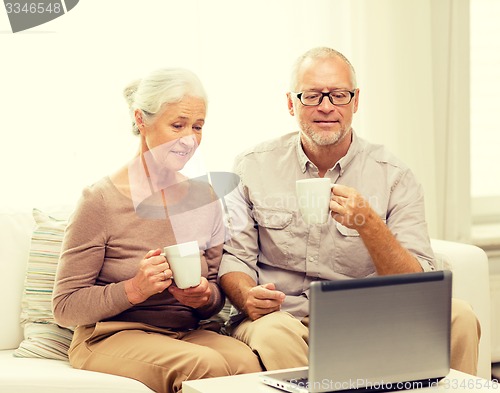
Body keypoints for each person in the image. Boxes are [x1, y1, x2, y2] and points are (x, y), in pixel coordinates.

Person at [218, 47, 481, 375]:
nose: (326, 107)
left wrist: (370, 225)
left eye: (338, 95)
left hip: (364, 318)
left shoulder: (394, 176)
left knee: (459, 316)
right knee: (275, 334)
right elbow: (235, 259)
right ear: (291, 103)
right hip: (281, 318)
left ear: (356, 101)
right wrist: (247, 296)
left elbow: (418, 289)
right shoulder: (252, 166)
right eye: (312, 95)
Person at [52, 68, 262, 393]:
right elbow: (65, 307)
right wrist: (135, 289)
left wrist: (204, 296)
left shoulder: (203, 198)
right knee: (206, 367)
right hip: (111, 334)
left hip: (185, 332)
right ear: (141, 119)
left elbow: (215, 298)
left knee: (248, 365)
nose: (189, 139)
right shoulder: (100, 200)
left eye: (198, 126)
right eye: (177, 125)